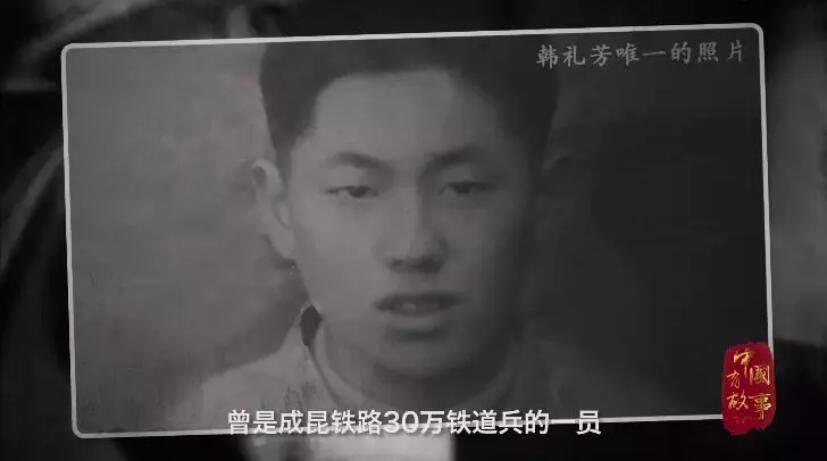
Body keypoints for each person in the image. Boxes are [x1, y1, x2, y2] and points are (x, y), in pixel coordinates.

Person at [167, 35, 685, 435]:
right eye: (357, 191)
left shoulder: (642, 427)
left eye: (463, 188)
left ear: (542, 199)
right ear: (280, 211)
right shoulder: (204, 428)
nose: (413, 248)